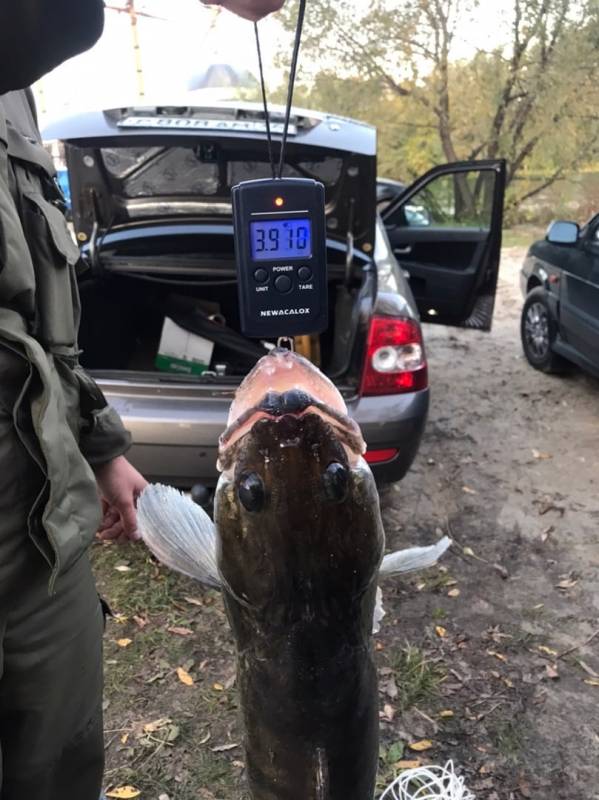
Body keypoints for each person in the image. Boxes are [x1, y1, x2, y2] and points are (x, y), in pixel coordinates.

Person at [0, 0, 284, 797]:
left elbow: (38, 322)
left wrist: (98, 445)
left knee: (59, 761)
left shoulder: (17, 102)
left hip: (41, 543)